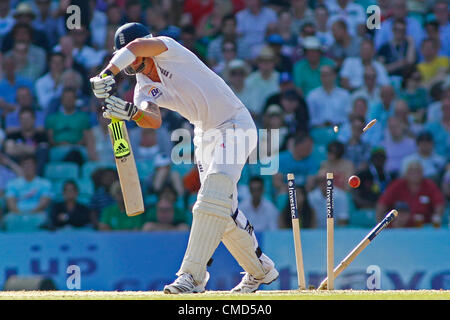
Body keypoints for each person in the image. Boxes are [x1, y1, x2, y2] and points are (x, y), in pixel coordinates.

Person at [89, 22, 278, 293]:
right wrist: (131, 112)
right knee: (220, 213)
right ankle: (261, 270)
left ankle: (192, 277)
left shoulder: (168, 48)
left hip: (234, 123)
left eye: (128, 56)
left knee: (211, 195)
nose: (129, 65)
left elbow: (135, 47)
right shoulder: (142, 87)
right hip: (204, 135)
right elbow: (152, 119)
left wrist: (107, 73)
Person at [376, 160, 445, 228]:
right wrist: (380, 227)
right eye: (411, 171)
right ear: (405, 173)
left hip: (423, 228)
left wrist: (436, 218)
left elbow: (439, 204)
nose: (415, 174)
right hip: (398, 228)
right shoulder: (397, 185)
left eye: (417, 171)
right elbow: (382, 204)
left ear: (423, 173)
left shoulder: (429, 185)